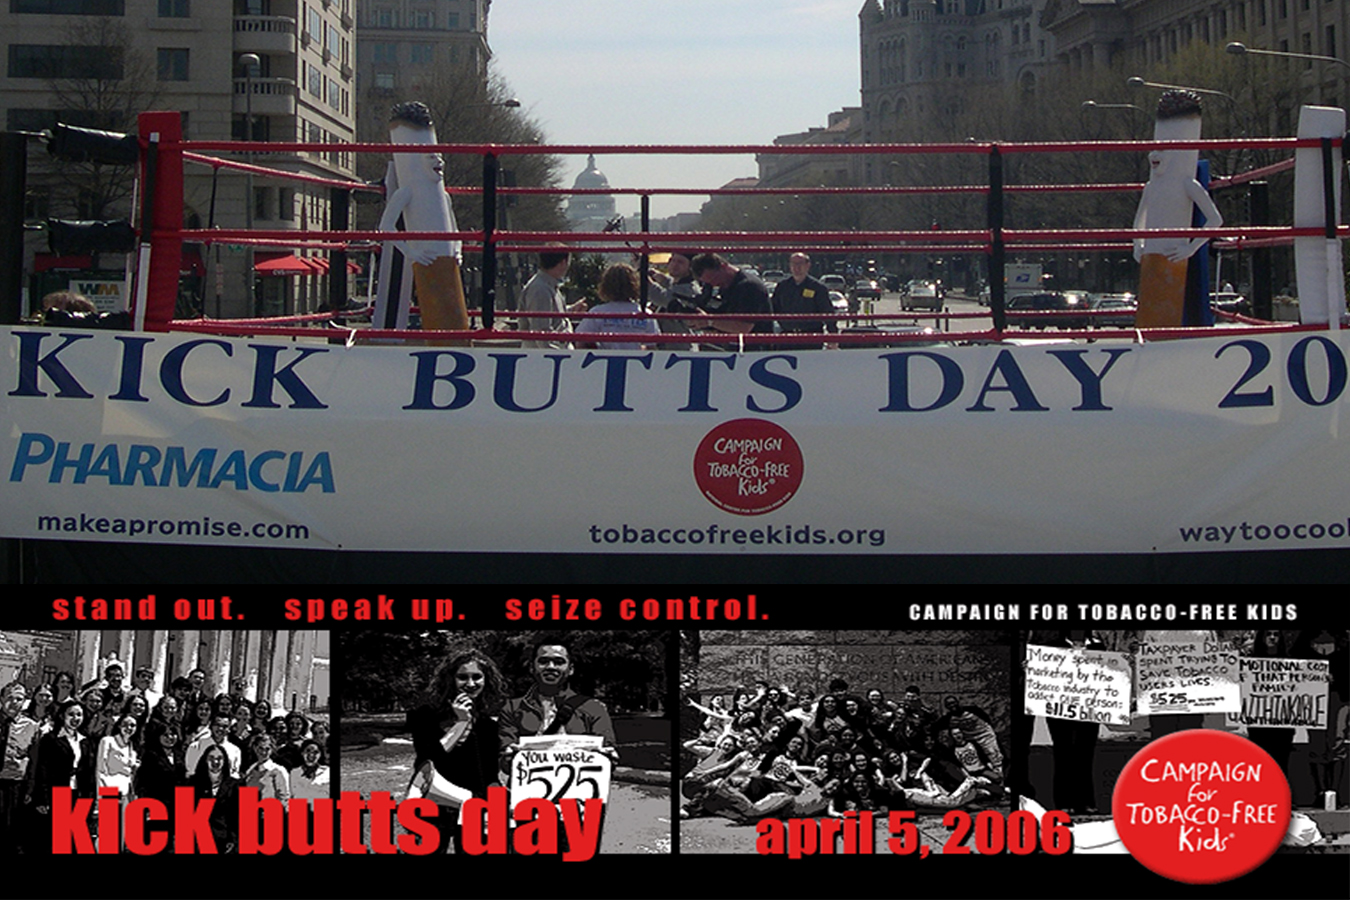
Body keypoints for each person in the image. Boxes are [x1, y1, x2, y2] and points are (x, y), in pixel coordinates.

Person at [409, 647, 506, 853]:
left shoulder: (488, 725)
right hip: (432, 806)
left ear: (486, 680)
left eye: (477, 677)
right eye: (463, 677)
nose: (470, 684)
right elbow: (429, 759)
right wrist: (461, 723)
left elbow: (489, 773)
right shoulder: (424, 715)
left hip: (473, 806)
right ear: (450, 679)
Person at [499, 642, 618, 763]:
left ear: (570, 669)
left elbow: (608, 755)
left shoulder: (594, 708)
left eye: (559, 662)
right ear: (532, 667)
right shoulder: (512, 708)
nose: (551, 667)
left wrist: (608, 757)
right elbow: (504, 757)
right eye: (543, 661)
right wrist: (508, 757)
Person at [687, 253, 774, 350]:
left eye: (714, 278)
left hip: (754, 350)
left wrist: (709, 321)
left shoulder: (749, 286)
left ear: (723, 266)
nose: (714, 284)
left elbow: (743, 327)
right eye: (708, 282)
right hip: (731, 348)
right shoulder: (724, 285)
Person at [574, 263, 659, 350]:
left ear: (605, 285)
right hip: (635, 361)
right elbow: (652, 346)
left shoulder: (597, 312)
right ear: (634, 284)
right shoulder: (645, 313)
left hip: (604, 360)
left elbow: (580, 341)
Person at [519, 248, 586, 348]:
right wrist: (555, 357)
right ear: (563, 262)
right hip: (548, 357)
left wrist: (571, 309)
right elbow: (541, 331)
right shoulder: (540, 289)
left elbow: (549, 313)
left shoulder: (546, 285)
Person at [0, 682, 38, 855]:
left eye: (19, 699)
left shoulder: (31, 726)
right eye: (10, 698)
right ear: (1, 699)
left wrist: (30, 788)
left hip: (16, 783)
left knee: (12, 829)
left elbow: (34, 759)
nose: (14, 702)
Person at [771, 252, 837, 345]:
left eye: (800, 264)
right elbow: (772, 310)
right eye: (793, 263)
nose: (796, 267)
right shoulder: (782, 287)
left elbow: (827, 312)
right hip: (787, 337)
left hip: (811, 338)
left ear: (808, 265)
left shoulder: (818, 288)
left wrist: (833, 336)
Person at [189, 744, 240, 853]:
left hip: (224, 841)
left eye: (219, 758)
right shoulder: (193, 783)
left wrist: (233, 839)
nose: (215, 762)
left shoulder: (235, 785)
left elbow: (237, 815)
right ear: (205, 760)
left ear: (225, 761)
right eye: (211, 758)